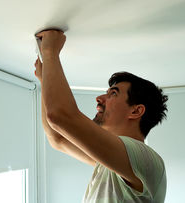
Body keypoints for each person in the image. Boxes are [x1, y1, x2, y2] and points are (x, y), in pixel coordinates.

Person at [34, 29, 168, 203]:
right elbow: (58, 138)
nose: (99, 98)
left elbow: (60, 116)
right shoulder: (113, 165)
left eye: (113, 93)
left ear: (135, 111)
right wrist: (45, 79)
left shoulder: (144, 159)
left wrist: (50, 52)